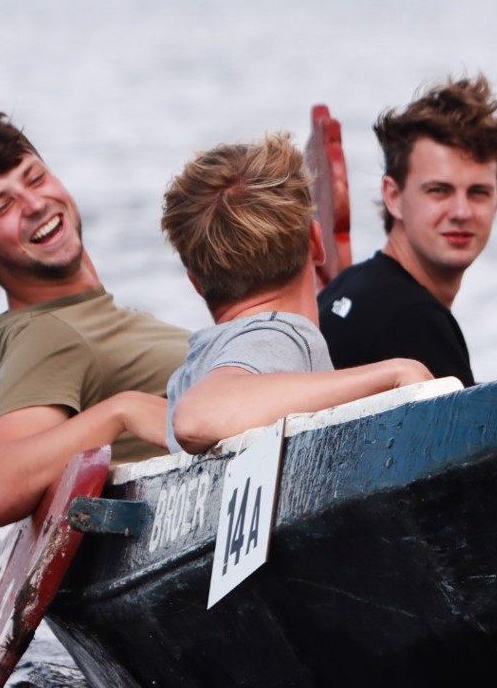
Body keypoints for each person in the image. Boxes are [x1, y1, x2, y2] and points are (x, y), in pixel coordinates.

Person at [0, 110, 189, 527]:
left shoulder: (86, 316)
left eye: (35, 179)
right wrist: (123, 411)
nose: (34, 204)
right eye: (2, 207)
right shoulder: (49, 334)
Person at [160, 132, 434, 454]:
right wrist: (394, 373)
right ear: (316, 242)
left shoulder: (199, 362)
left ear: (195, 282)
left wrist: (123, 410)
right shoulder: (281, 336)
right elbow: (196, 417)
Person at [318, 75, 497, 385]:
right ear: (393, 197)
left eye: (478, 192)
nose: (461, 212)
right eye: (439, 191)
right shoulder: (412, 320)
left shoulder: (352, 285)